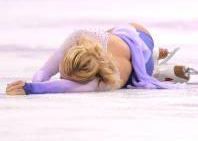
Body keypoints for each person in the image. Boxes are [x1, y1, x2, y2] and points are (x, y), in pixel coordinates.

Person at [5, 22, 181, 95]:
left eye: (64, 76)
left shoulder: (110, 78)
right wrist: (35, 82)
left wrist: (32, 88)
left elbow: (67, 87)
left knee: (142, 75)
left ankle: (157, 64)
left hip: (142, 53)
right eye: (61, 71)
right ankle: (156, 53)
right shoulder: (79, 37)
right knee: (110, 34)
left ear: (90, 77)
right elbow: (45, 70)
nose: (60, 76)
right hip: (133, 30)